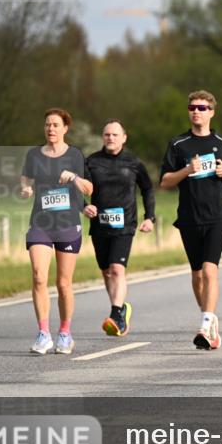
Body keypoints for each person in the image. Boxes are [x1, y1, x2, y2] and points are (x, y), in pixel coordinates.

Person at [159, 90, 222, 350]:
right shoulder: (178, 144)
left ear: (212, 112)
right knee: (196, 274)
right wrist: (186, 170)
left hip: (217, 216)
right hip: (189, 217)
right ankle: (210, 319)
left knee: (209, 270)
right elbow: (164, 182)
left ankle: (205, 325)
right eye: (192, 107)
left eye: (202, 108)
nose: (196, 111)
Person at [21, 109, 94, 354]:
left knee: (63, 283)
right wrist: (26, 189)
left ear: (65, 128)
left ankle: (65, 333)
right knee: (39, 277)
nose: (50, 129)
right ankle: (44, 334)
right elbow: (26, 179)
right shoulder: (34, 155)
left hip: (67, 224)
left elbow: (88, 188)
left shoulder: (74, 155)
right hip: (41, 224)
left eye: (55, 125)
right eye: (47, 125)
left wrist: (73, 177)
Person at [84, 120, 156, 337]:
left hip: (125, 224)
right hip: (99, 225)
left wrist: (149, 217)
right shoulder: (91, 162)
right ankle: (120, 308)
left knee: (117, 269)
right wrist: (84, 206)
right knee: (106, 271)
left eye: (115, 135)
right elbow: (78, 187)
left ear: (124, 138)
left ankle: (116, 314)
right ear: (103, 137)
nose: (111, 138)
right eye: (107, 134)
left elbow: (147, 189)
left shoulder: (133, 162)